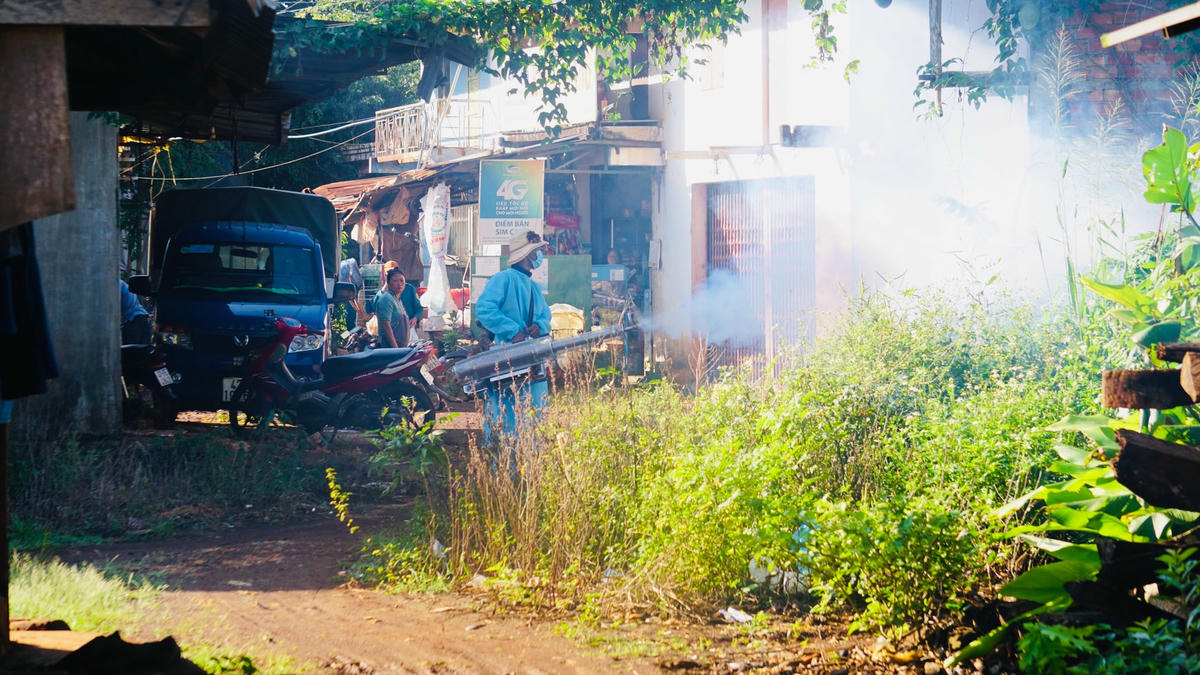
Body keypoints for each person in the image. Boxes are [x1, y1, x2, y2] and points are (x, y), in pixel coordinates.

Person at [474, 230, 553, 443]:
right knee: (506, 412)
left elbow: (546, 315)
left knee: (534, 412)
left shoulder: (534, 286)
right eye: (537, 251)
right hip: (507, 357)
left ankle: (529, 464)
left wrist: (539, 325)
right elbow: (484, 309)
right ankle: (503, 463)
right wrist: (513, 331)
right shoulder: (503, 279)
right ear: (527, 255)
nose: (540, 255)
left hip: (533, 358)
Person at [374, 268, 410, 348]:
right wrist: (396, 349)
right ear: (388, 283)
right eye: (395, 281)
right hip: (389, 348)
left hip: (400, 348)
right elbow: (386, 326)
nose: (399, 284)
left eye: (401, 280)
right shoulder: (386, 299)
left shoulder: (397, 299)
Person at [120, 279, 152, 345]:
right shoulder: (120, 283)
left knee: (131, 352)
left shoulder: (113, 285)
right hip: (141, 318)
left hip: (133, 320)